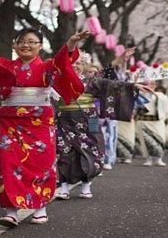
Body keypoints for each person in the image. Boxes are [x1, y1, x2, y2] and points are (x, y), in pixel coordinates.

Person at [0, 24, 89, 227]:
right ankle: (11, 211)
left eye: (31, 42)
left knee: (42, 165)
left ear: (40, 46)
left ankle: (40, 208)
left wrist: (73, 41)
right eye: (21, 42)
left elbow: (63, 60)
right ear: (14, 46)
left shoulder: (47, 66)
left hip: (39, 123)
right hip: (10, 124)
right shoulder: (7, 66)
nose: (26, 45)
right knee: (8, 165)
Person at [55, 52, 152, 199]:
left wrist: (132, 86)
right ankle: (63, 187)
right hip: (64, 119)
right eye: (71, 62)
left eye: (78, 63)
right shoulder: (58, 79)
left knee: (93, 149)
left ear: (85, 66)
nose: (75, 65)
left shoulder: (92, 80)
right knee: (65, 152)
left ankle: (86, 185)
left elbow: (111, 84)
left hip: (90, 119)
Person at [135, 80, 168, 166]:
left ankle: (159, 159)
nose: (150, 85)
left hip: (157, 121)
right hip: (144, 121)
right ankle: (148, 159)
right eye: (147, 84)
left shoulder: (161, 96)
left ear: (155, 85)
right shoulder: (139, 95)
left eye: (152, 84)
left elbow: (167, 107)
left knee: (160, 139)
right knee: (145, 140)